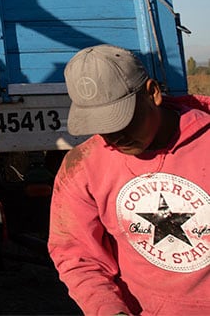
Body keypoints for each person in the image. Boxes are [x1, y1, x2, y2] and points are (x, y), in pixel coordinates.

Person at [48, 44, 210, 316]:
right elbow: (77, 254)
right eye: (102, 126)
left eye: (122, 121)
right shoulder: (83, 166)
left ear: (152, 93)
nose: (114, 137)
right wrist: (109, 310)